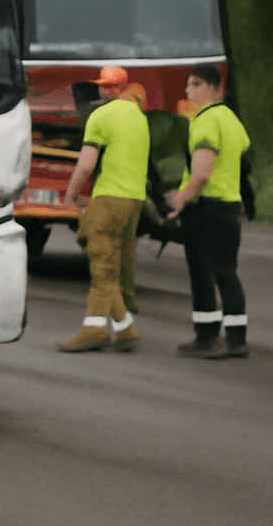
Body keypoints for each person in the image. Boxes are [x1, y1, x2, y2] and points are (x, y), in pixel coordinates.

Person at [59, 65, 150, 352]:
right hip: (134, 200)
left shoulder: (101, 115)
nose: (100, 89)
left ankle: (95, 330)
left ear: (109, 88)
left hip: (109, 197)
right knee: (111, 265)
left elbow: (86, 164)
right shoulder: (139, 117)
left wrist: (70, 195)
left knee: (102, 268)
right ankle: (124, 328)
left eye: (103, 85)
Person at [165, 64, 251, 359]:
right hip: (229, 206)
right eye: (188, 84)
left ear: (213, 89)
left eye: (195, 84)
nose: (188, 90)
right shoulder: (231, 119)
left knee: (202, 274)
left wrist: (180, 201)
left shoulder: (205, 121)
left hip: (206, 208)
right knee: (227, 273)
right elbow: (240, 149)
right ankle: (237, 340)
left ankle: (207, 338)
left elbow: (201, 174)